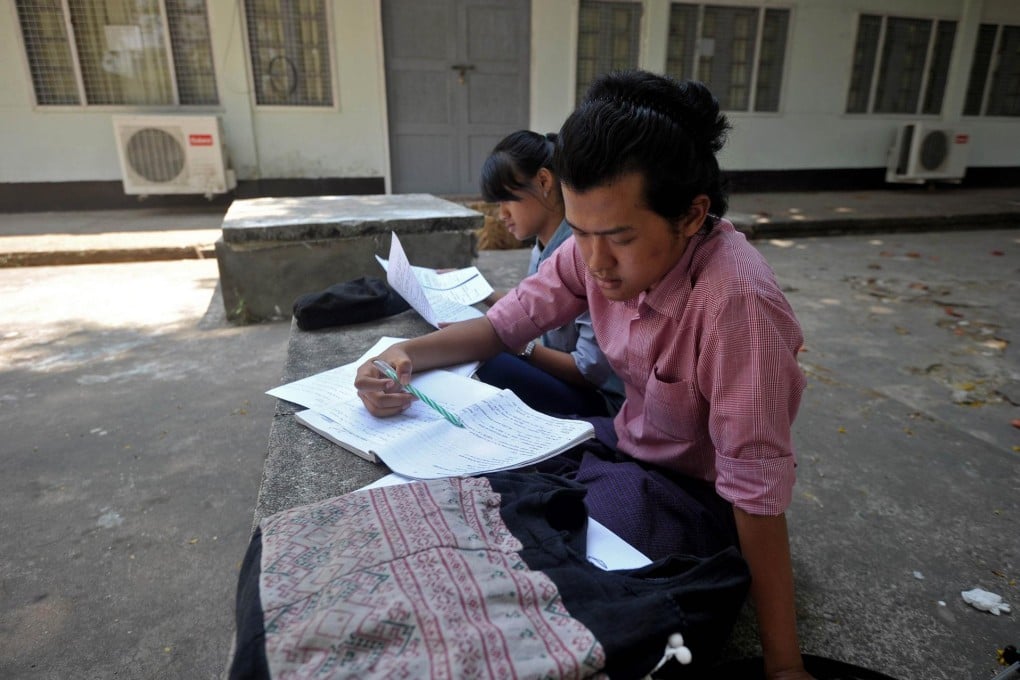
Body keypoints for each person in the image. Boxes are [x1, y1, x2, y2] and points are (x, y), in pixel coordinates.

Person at [355, 70, 813, 680]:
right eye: (582, 232)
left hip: (697, 497)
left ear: (691, 215)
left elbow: (753, 493)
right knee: (478, 493)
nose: (594, 261)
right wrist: (400, 358)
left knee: (550, 574)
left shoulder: (735, 305)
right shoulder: (592, 254)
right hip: (622, 444)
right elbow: (502, 328)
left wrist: (784, 667)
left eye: (619, 237)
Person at [473, 129, 625, 417]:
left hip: (602, 400)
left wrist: (520, 346)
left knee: (487, 357)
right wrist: (475, 291)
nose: (501, 214)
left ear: (543, 181)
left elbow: (589, 371)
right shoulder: (543, 245)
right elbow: (532, 306)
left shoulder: (584, 254)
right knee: (472, 342)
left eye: (507, 199)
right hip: (575, 383)